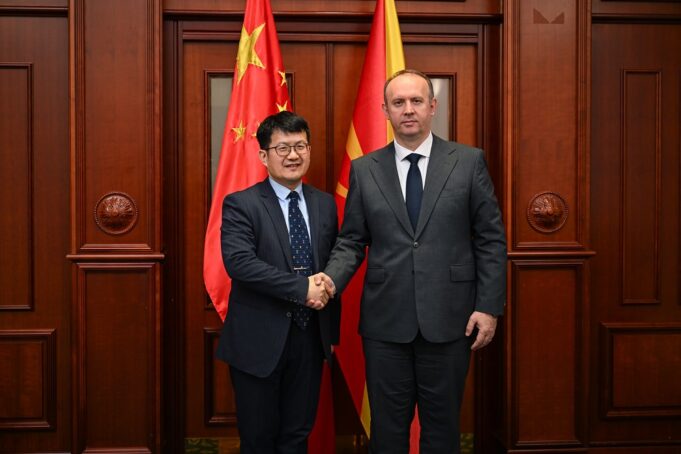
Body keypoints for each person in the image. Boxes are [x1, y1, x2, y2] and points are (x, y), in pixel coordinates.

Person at [317, 69, 507, 453]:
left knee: (442, 429)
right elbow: (352, 240)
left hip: (450, 320)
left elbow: (490, 239)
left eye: (416, 101)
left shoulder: (468, 162)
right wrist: (330, 280)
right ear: (385, 110)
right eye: (398, 102)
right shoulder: (365, 170)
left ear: (432, 107)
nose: (408, 110)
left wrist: (488, 306)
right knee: (387, 431)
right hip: (386, 324)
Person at [216, 111, 340, 454]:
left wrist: (327, 314)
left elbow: (332, 261)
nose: (293, 155)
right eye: (283, 148)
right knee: (258, 439)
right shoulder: (241, 204)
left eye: (301, 146)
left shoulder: (325, 204)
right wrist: (302, 289)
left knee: (297, 437)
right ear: (263, 155)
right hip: (259, 341)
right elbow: (240, 264)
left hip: (310, 339)